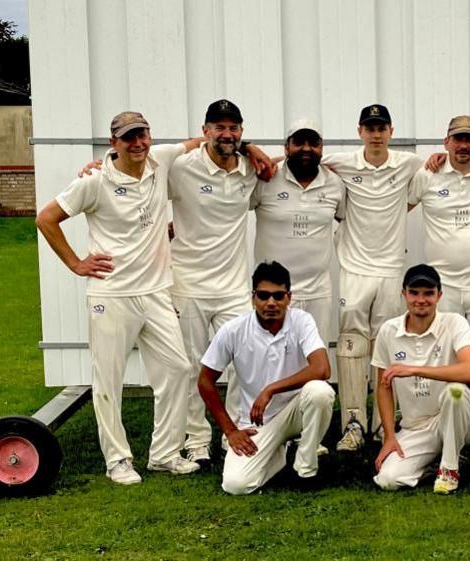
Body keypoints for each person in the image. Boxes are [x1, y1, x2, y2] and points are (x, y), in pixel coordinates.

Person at [35, 111, 199, 484]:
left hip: (156, 291)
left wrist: (251, 149)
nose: (138, 143)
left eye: (143, 135)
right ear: (114, 144)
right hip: (111, 293)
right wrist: (76, 263)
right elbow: (46, 219)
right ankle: (117, 460)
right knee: (109, 379)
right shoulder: (93, 180)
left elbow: (204, 141)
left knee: (177, 369)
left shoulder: (161, 160)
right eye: (129, 138)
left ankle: (165, 453)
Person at [323, 104, 424, 451]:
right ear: (360, 131)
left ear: (391, 132)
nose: (376, 134)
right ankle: (353, 423)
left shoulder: (408, 164)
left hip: (391, 268)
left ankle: (384, 423)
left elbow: (441, 168)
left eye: (382, 128)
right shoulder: (342, 163)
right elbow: (297, 163)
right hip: (354, 269)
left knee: (387, 343)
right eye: (370, 128)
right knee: (352, 341)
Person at [167, 99, 262, 465]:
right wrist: (102, 162)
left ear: (241, 131)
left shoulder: (249, 171)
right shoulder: (181, 169)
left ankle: (235, 431)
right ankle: (196, 439)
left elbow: (275, 167)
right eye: (218, 127)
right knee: (194, 366)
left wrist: (255, 151)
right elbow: (139, 175)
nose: (226, 134)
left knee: (243, 362)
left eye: (233, 127)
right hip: (188, 284)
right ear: (204, 131)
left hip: (234, 286)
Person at [407, 115, 470, 448]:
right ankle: (445, 425)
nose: (463, 146)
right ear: (446, 142)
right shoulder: (427, 175)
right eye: (457, 139)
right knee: (445, 354)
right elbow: (394, 210)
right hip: (442, 285)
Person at [197, 261, 335, 495]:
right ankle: (281, 454)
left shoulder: (301, 321)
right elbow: (205, 381)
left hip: (296, 411)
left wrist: (271, 389)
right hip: (257, 423)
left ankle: (305, 470)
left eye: (278, 296)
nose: (271, 303)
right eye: (263, 296)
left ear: (289, 298)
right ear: (253, 298)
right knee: (235, 485)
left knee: (320, 392)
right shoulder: (234, 330)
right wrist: (230, 431)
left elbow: (322, 369)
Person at [372, 264, 470, 494]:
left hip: (457, 417)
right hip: (416, 426)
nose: (421, 300)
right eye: (414, 292)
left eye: (429, 293)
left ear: (439, 295)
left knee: (455, 392)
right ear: (404, 294)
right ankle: (434, 465)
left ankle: (450, 470)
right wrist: (390, 436)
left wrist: (415, 370)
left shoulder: (454, 323)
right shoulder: (388, 331)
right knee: (388, 480)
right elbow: (384, 388)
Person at [250, 119, 344, 343]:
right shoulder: (266, 178)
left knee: (314, 361)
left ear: (321, 148)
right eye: (299, 142)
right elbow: (229, 210)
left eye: (313, 143)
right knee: (269, 356)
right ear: (286, 147)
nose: (306, 149)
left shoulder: (334, 183)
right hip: (272, 294)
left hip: (317, 292)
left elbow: (347, 219)